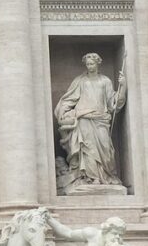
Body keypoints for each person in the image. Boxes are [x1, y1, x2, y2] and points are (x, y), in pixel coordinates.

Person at [54, 52, 126, 188]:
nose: (89, 66)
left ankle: (106, 176)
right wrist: (64, 112)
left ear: (98, 64)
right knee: (88, 149)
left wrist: (122, 87)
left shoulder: (105, 81)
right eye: (87, 64)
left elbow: (113, 103)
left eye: (92, 64)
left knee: (106, 149)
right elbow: (68, 99)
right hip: (84, 120)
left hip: (101, 119)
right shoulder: (80, 81)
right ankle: (91, 178)